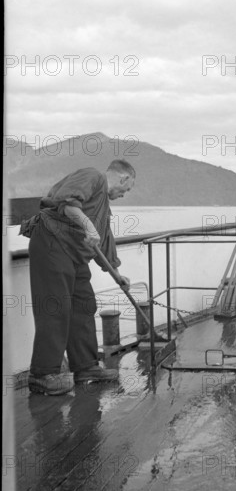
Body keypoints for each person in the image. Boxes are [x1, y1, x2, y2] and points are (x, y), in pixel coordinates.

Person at [20, 160, 136, 395]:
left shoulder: (104, 209)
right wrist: (89, 227)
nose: (124, 194)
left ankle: (85, 367)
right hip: (52, 242)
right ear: (123, 178)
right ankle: (42, 374)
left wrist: (117, 276)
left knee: (84, 305)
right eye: (128, 189)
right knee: (55, 307)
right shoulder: (93, 176)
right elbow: (67, 203)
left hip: (74, 256)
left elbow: (103, 247)